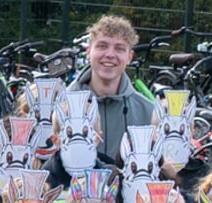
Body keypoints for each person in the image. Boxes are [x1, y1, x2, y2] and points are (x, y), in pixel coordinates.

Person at [63, 15, 156, 170]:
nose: (110, 54)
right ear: (88, 51)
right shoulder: (61, 106)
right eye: (102, 46)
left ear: (129, 57)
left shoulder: (149, 112)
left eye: (119, 49)